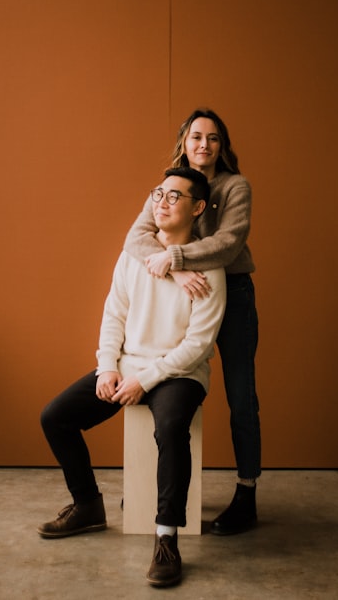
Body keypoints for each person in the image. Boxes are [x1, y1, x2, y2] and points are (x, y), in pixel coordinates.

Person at [38, 167, 226, 588]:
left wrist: (148, 377)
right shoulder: (134, 255)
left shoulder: (209, 268)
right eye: (158, 193)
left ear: (197, 208)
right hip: (128, 366)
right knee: (55, 417)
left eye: (174, 197)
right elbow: (114, 316)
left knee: (173, 426)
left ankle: (166, 540)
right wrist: (108, 366)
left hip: (180, 373)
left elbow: (198, 344)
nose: (161, 202)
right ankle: (87, 506)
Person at [123, 108, 261, 536]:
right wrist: (175, 271)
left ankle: (246, 493)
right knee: (164, 382)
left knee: (241, 396)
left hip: (232, 294)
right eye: (197, 136)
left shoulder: (236, 185)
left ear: (223, 145)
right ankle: (152, 485)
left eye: (214, 138)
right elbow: (136, 237)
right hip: (183, 293)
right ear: (184, 141)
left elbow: (229, 242)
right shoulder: (170, 184)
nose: (205, 145)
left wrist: (176, 257)